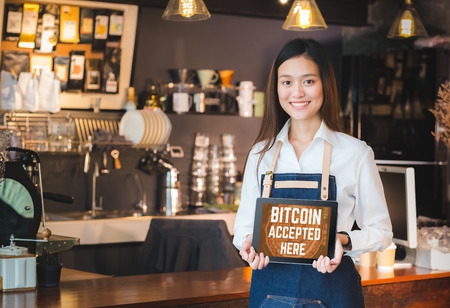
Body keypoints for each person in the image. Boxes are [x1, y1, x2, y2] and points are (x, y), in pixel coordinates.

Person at [233, 38, 393, 307]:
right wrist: (249, 246)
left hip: (334, 293)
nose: (297, 93)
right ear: (276, 89)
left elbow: (381, 231)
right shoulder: (262, 153)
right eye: (286, 82)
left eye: (308, 81)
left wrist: (341, 240)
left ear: (325, 85)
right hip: (269, 295)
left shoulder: (355, 153)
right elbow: (242, 230)